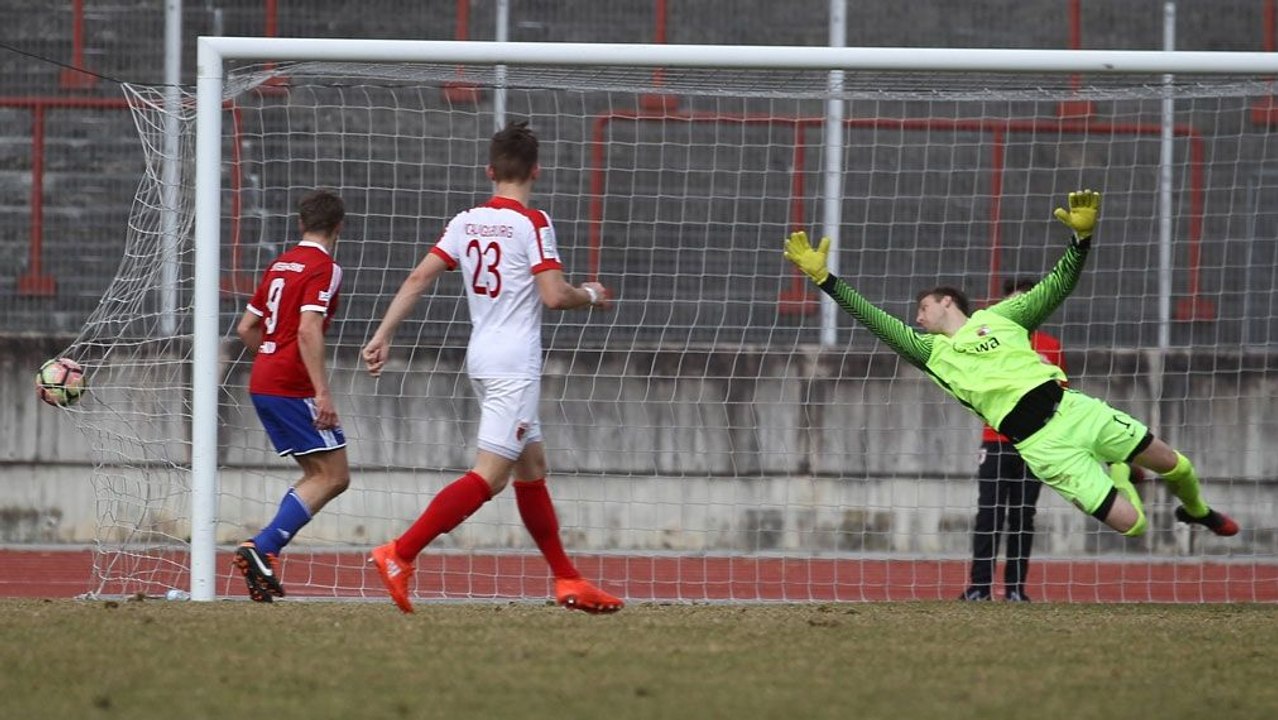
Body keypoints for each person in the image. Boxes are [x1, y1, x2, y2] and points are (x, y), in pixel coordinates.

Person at [783, 189, 1239, 551]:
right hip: (1041, 447)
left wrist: (1081, 239)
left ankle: (1196, 511)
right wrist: (826, 280)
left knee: (1177, 465)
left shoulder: (1001, 316)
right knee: (1134, 526)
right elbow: (871, 317)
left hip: (1074, 410)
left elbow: (1057, 286)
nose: (917, 316)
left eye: (923, 306)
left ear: (947, 302)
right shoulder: (928, 351)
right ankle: (1120, 473)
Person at [361, 120, 624, 615]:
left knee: (532, 468)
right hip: (513, 365)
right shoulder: (533, 223)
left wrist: (383, 333)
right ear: (536, 172)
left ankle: (568, 579)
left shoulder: (466, 221)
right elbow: (553, 295)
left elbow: (420, 276)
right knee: (490, 476)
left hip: (481, 357)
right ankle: (400, 553)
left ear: (490, 170)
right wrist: (590, 295)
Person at [233, 189, 351, 602]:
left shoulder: (278, 264)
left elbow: (247, 328)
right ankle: (263, 546)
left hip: (264, 379)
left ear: (301, 223)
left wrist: (270, 355)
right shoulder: (325, 267)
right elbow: (306, 329)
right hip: (291, 385)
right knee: (335, 476)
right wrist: (322, 392)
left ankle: (264, 555)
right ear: (339, 227)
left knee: (319, 475)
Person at [960, 277, 1060, 603]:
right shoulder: (987, 340)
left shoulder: (1050, 346)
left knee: (1023, 514)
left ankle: (1016, 588)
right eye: (1015, 302)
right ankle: (979, 587)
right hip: (996, 438)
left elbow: (1062, 394)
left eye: (1028, 301)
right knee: (988, 512)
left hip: (1034, 443)